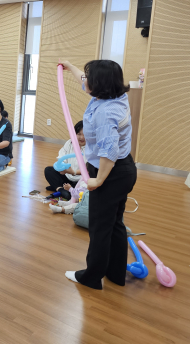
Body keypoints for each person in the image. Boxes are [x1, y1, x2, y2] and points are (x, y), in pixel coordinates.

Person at [60, 59, 137, 290]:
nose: (85, 81)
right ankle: (115, 274)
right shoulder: (113, 96)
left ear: (100, 84)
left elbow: (109, 150)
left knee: (100, 227)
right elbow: (84, 80)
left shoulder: (105, 112)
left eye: (89, 78)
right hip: (123, 170)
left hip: (111, 173)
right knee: (114, 224)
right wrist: (69, 67)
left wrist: (99, 179)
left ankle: (91, 277)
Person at [44, 121, 87, 199]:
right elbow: (61, 157)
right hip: (67, 176)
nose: (82, 137)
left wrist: (73, 172)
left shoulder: (91, 148)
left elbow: (88, 170)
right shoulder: (69, 143)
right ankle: (61, 189)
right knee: (48, 170)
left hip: (81, 180)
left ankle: (59, 188)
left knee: (85, 187)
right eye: (79, 134)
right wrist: (62, 167)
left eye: (85, 134)